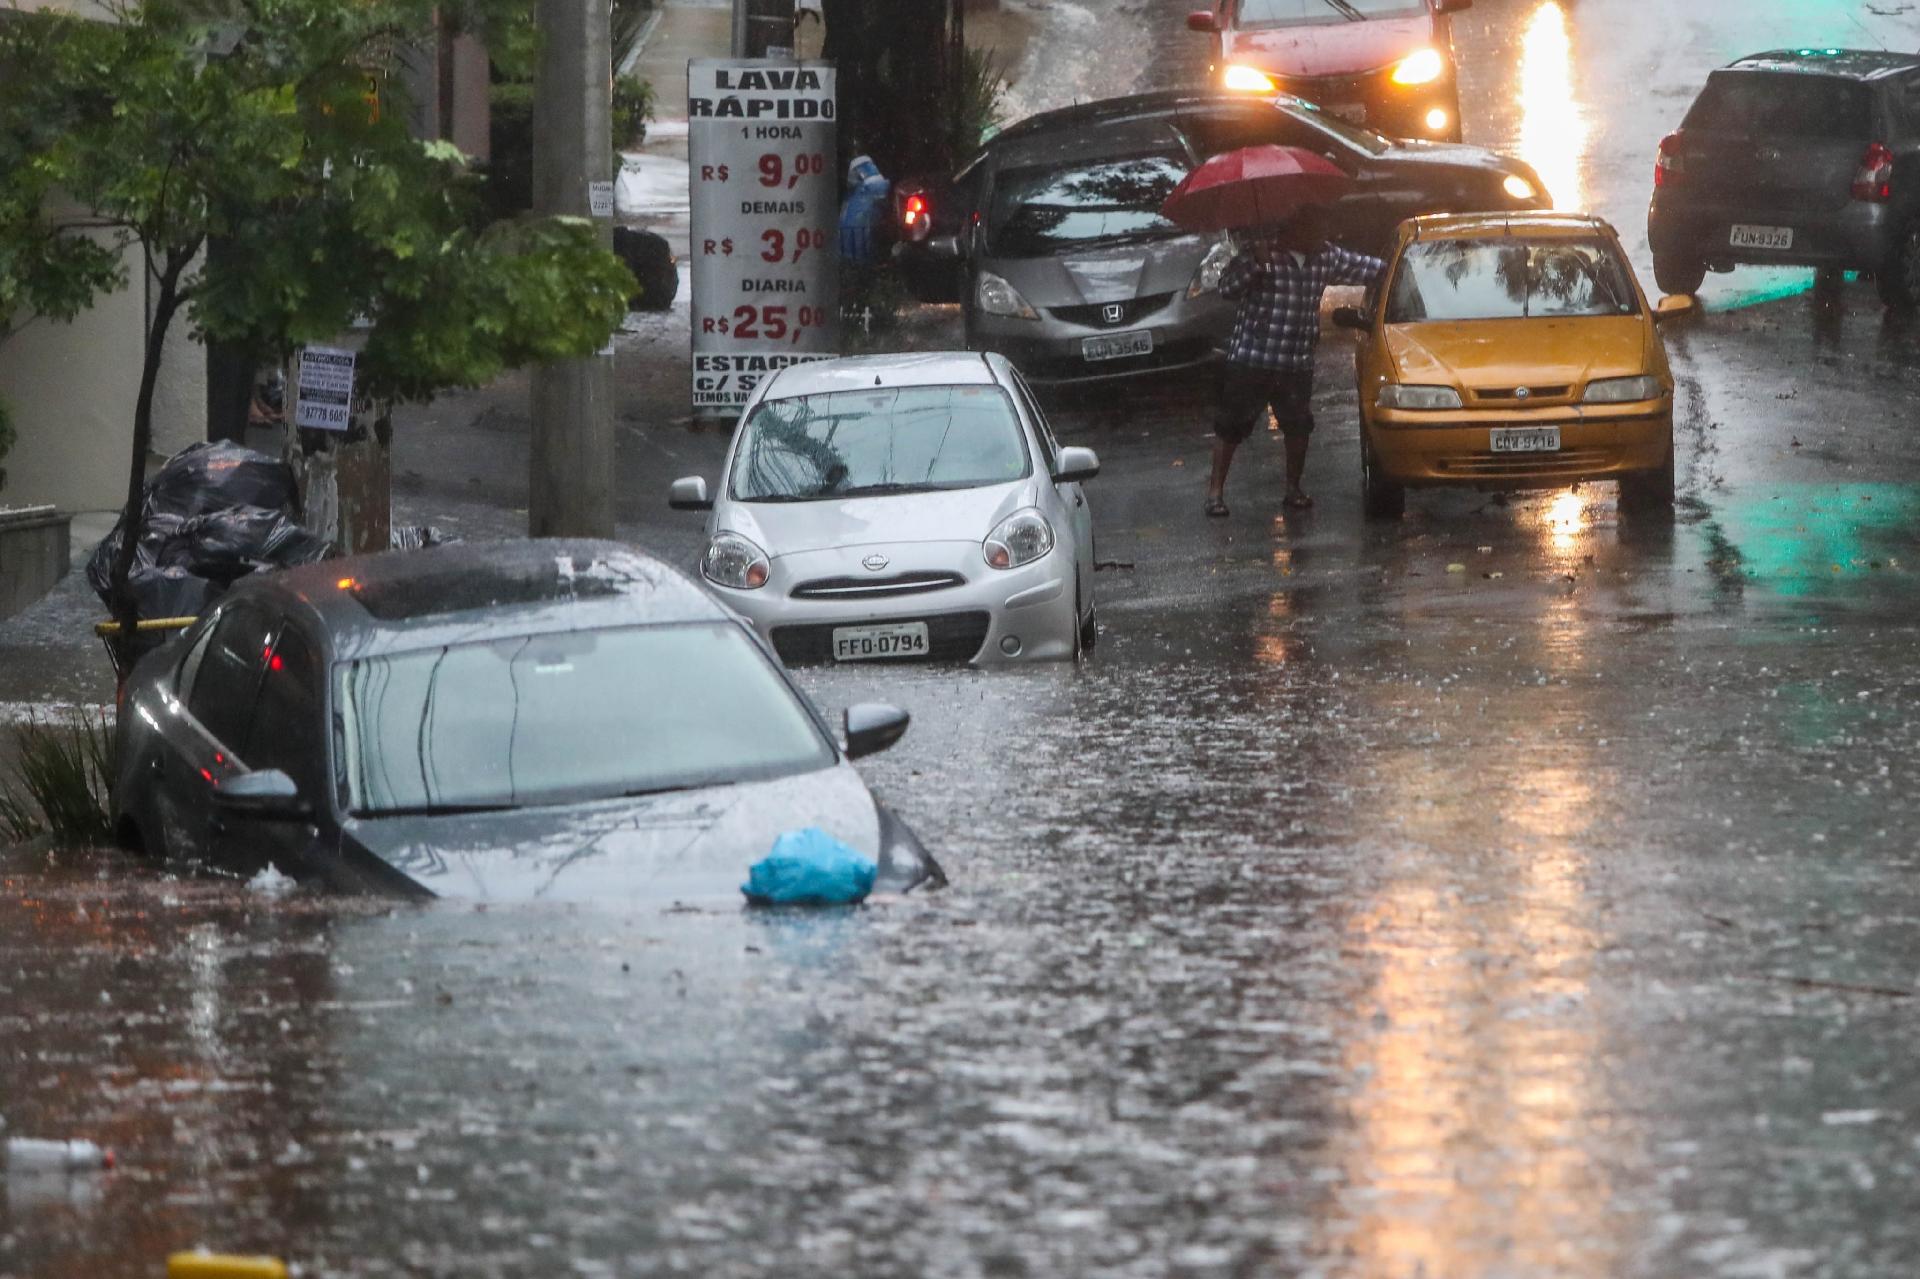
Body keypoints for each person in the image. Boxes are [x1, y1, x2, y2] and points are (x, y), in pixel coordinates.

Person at [1206, 205, 1385, 517]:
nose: (1323, 237)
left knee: (1298, 426)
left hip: (1296, 361)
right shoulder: (1260, 253)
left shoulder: (1326, 257)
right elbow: (1227, 290)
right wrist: (1255, 266)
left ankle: (1293, 488)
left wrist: (1405, 264)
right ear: (1296, 232)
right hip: (1252, 358)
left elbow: (1371, 268)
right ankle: (1215, 493)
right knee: (1231, 424)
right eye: (1317, 231)